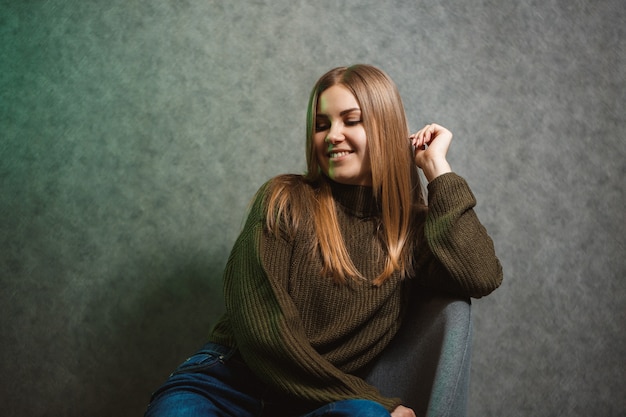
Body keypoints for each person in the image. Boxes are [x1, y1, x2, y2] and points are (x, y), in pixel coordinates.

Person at [144, 64, 503, 417]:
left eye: (351, 120)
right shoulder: (284, 199)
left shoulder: (411, 234)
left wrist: (438, 170)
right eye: (321, 125)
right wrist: (377, 400)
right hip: (226, 384)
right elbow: (264, 334)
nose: (331, 135)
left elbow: (481, 275)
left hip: (314, 405)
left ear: (387, 129)